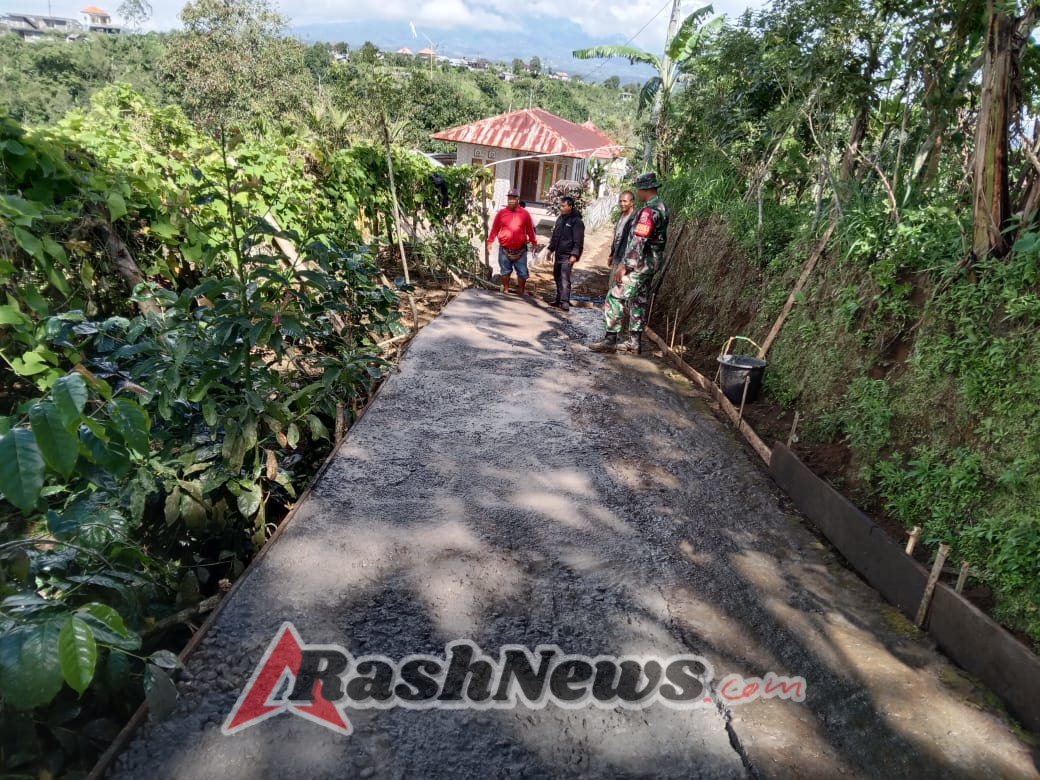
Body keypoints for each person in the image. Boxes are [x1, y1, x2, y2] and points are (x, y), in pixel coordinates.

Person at [589, 172, 669, 354]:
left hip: (640, 265)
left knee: (615, 296)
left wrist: (625, 265)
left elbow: (639, 240)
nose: (637, 192)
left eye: (638, 189)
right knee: (639, 300)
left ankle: (610, 339)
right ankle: (634, 341)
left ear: (645, 189)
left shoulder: (648, 212)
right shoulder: (662, 207)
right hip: (652, 265)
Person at [486, 188, 537, 296]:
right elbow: (495, 228)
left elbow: (530, 230)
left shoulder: (525, 214)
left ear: (518, 199)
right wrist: (490, 242)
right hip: (505, 248)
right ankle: (506, 289)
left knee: (522, 272)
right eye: (509, 198)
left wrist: (534, 243)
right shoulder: (501, 213)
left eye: (514, 198)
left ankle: (522, 290)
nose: (511, 200)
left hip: (520, 249)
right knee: (505, 271)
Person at [546, 196, 585, 311]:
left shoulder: (576, 222)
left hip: (568, 255)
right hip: (558, 253)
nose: (561, 208)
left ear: (570, 206)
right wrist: (550, 249)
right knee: (557, 275)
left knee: (564, 278)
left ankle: (564, 302)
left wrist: (574, 255)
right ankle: (559, 299)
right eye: (560, 206)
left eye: (563, 206)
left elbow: (578, 240)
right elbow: (555, 236)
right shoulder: (560, 219)